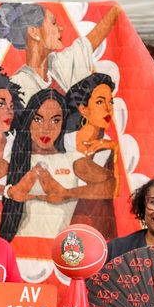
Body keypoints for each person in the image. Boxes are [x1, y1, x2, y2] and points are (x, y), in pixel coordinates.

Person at [0, 89, 116, 282]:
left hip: (60, 256)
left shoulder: (72, 160)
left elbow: (111, 185)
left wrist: (66, 193)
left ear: (63, 123)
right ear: (28, 120)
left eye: (55, 120)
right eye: (38, 119)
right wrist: (11, 192)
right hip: (16, 254)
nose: (46, 129)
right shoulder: (15, 160)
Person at [0, 2, 120, 105]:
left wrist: (115, 8)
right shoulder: (17, 85)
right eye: (53, 23)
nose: (61, 28)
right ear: (34, 32)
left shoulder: (58, 64)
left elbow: (92, 40)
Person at [62, 72, 128, 239]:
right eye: (100, 101)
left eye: (110, 102)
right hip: (59, 225)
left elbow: (115, 194)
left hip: (96, 231)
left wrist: (115, 150)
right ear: (83, 109)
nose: (108, 108)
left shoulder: (109, 148)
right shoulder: (63, 142)